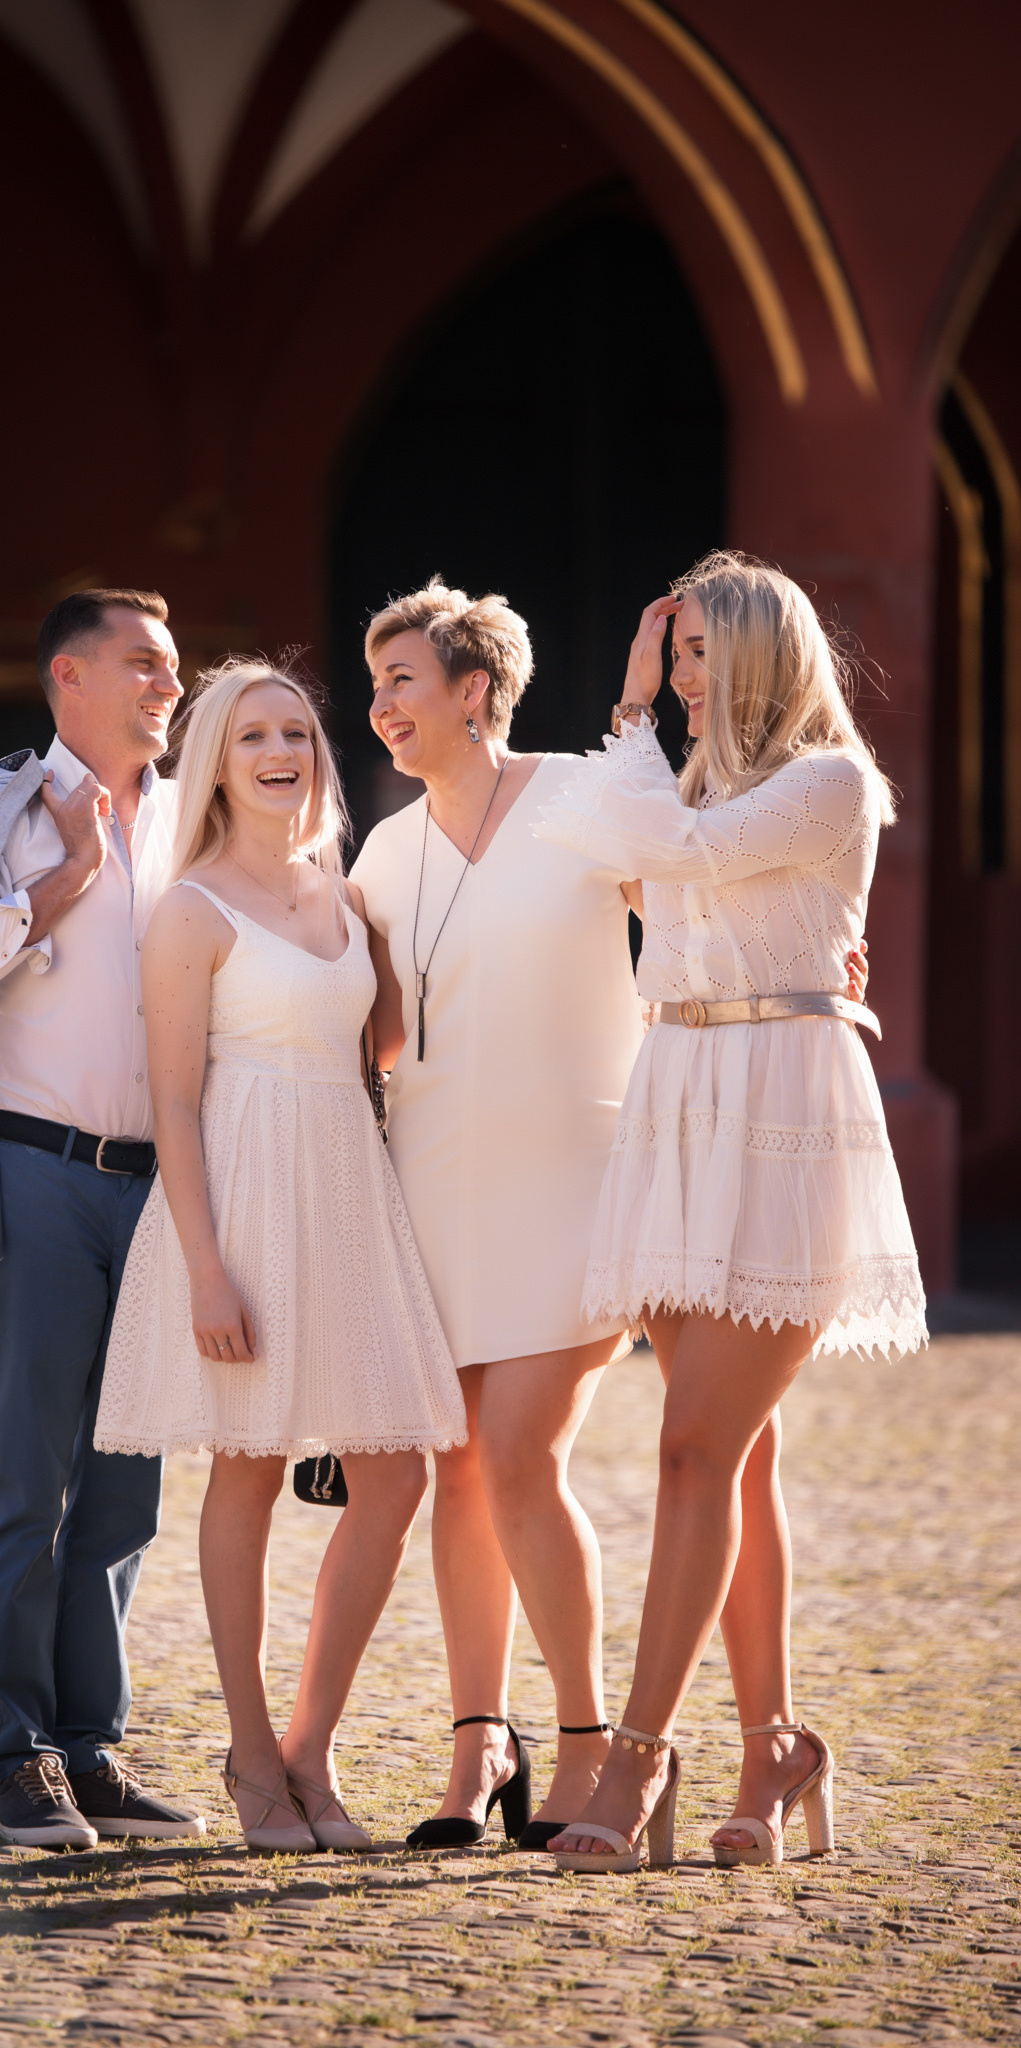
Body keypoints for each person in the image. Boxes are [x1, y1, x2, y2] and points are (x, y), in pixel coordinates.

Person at [536, 551, 927, 1873]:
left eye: (700, 654)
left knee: (693, 1451)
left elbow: (672, 852)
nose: (682, 679)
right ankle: (774, 1751)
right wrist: (641, 737)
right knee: (735, 1460)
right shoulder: (684, 786)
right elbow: (626, 857)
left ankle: (637, 1763)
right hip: (680, 1101)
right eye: (675, 653)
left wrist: (630, 720)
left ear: (761, 656)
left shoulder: (830, 784)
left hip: (783, 1117)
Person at [94, 660, 466, 1852]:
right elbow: (174, 1099)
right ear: (215, 758)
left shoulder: (347, 896)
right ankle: (251, 1755)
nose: (281, 749)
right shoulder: (189, 910)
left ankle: (313, 1745)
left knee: (397, 1471)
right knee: (246, 1471)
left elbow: (398, 1042)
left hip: (348, 1192)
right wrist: (206, 1267)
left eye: (297, 730)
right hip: (240, 1201)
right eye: (254, 732)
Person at [348, 580, 643, 1848]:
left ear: (476, 690)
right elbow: (368, 1032)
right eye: (375, 684)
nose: (380, 705)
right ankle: (479, 1743)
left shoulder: (584, 797)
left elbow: (692, 918)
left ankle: (588, 1742)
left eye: (403, 678)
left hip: (575, 1179)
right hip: (431, 1192)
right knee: (460, 1469)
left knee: (523, 1457)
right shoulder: (383, 851)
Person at [0, 588, 206, 1850]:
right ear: (69, 679)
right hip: (37, 1174)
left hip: (161, 1187)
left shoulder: (197, 817)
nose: (170, 682)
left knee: (125, 1485)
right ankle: (19, 1755)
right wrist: (66, 881)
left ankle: (93, 1750)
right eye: (144, 662)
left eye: (173, 664)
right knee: (28, 1480)